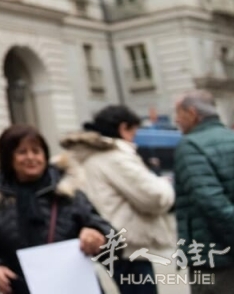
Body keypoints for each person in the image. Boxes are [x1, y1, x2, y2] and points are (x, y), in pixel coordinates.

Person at [0, 125, 112, 294]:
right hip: (19, 287)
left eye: (36, 151)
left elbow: (109, 235)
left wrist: (97, 237)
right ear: (8, 157)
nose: (31, 157)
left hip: (73, 286)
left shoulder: (68, 192)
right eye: (22, 152)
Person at [60, 105, 175, 294]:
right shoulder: (115, 156)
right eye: (134, 132)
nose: (135, 138)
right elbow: (154, 197)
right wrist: (164, 185)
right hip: (128, 246)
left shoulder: (88, 155)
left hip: (106, 239)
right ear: (123, 128)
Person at [173, 91, 234, 293]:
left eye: (179, 113)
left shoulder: (191, 146)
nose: (176, 120)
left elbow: (212, 204)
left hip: (214, 259)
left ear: (193, 113)